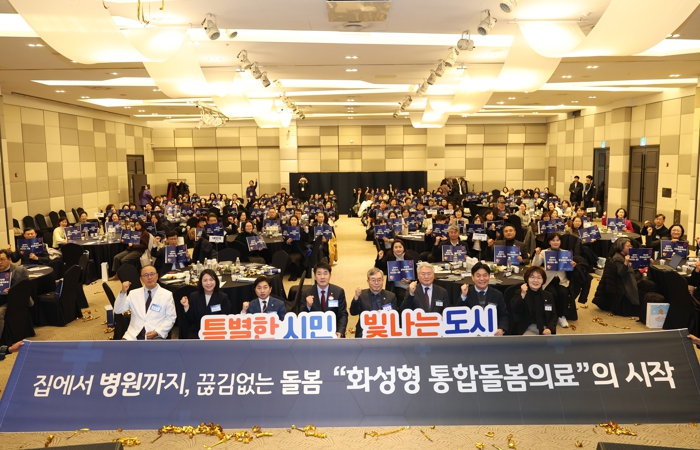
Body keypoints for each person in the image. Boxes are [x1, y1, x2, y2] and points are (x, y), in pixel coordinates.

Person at [592, 237, 656, 319]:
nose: (631, 247)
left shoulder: (627, 255)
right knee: (651, 285)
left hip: (633, 278)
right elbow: (621, 273)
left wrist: (648, 262)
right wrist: (626, 263)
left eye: (631, 246)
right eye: (628, 246)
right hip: (625, 283)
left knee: (650, 284)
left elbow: (636, 267)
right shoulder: (618, 258)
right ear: (621, 247)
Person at [114, 265, 176, 340]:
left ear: (157, 276)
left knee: (157, 347)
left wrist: (157, 332)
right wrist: (123, 292)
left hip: (155, 335)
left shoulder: (167, 295)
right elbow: (118, 310)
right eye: (146, 275)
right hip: (133, 335)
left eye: (152, 274)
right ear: (141, 279)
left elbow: (171, 318)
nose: (149, 277)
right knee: (122, 347)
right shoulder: (133, 293)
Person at [532, 233, 576, 328]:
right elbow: (535, 265)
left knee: (563, 293)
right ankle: (552, 316)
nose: (555, 242)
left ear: (560, 241)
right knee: (552, 294)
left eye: (557, 240)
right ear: (549, 242)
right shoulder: (544, 252)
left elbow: (569, 269)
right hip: (548, 280)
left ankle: (562, 316)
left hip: (561, 280)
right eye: (553, 240)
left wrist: (572, 265)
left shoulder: (566, 253)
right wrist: (537, 255)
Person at [454, 262, 508, 335]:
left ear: (489, 276)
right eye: (478, 276)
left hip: (492, 333)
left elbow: (504, 315)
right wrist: (463, 296)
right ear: (472, 277)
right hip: (471, 333)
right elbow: (458, 313)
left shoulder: (497, 294)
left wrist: (501, 329)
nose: (482, 279)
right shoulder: (466, 292)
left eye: (485, 275)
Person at [180, 269, 231, 339]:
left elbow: (225, 320)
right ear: (201, 282)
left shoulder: (223, 297)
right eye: (205, 280)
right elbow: (190, 321)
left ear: (216, 281)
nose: (208, 283)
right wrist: (186, 306)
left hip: (216, 332)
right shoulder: (194, 296)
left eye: (211, 280)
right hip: (198, 331)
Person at [301, 262, 348, 338]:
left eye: (325, 274)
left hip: (333, 331)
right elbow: (301, 315)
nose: (322, 277)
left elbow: (342, 314)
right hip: (313, 332)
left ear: (330, 275)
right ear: (315, 276)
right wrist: (308, 306)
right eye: (319, 274)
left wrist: (340, 331)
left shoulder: (338, 292)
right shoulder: (307, 292)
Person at [349, 268, 398, 337]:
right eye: (373, 280)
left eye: (379, 280)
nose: (376, 283)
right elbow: (353, 312)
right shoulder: (361, 295)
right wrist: (356, 297)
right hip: (365, 331)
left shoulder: (391, 296)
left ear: (383, 280)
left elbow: (395, 316)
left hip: (385, 330)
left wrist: (384, 314)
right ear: (368, 281)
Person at [511, 266, 557, 335]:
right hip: (527, 328)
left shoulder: (548, 295)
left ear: (543, 280)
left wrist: (550, 329)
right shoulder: (520, 293)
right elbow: (515, 310)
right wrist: (522, 295)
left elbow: (553, 316)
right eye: (532, 277)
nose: (536, 280)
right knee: (531, 341)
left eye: (539, 278)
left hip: (545, 328)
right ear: (527, 279)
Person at [375, 239, 418, 308]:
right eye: (396, 247)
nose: (398, 249)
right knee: (402, 295)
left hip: (409, 285)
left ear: (404, 248)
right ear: (392, 249)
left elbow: (415, 275)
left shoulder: (410, 258)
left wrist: (409, 281)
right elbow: (380, 268)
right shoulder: (389, 258)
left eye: (400, 247)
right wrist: (379, 258)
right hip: (396, 286)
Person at [0, 249, 30, 339]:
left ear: (9, 259)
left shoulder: (19, 270)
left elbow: (27, 289)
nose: (0, 262)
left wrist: (13, 291)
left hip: (11, 301)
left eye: (2, 259)